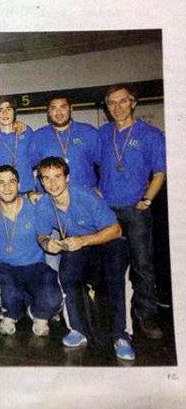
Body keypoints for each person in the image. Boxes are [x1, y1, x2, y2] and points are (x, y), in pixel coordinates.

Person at [35, 157, 133, 359]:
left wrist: (83, 240)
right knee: (67, 274)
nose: (53, 183)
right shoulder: (44, 204)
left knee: (115, 278)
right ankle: (78, 329)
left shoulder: (86, 196)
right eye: (47, 178)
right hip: (80, 245)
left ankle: (121, 335)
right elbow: (41, 235)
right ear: (41, 182)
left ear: (67, 178)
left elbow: (116, 230)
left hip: (107, 241)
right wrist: (47, 243)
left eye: (57, 177)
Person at [99, 83, 166, 339]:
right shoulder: (103, 133)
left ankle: (146, 315)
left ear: (133, 103)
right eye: (111, 103)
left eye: (122, 101)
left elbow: (159, 173)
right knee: (110, 264)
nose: (117, 107)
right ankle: (113, 315)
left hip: (136, 210)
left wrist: (147, 200)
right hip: (107, 210)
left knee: (142, 264)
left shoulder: (150, 134)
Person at [0, 165, 62, 336]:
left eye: (11, 182)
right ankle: (12, 313)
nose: (7, 187)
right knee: (10, 298)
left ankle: (38, 315)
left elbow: (60, 198)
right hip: (7, 268)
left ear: (19, 185)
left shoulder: (35, 206)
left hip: (36, 267)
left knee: (54, 300)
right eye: (1, 183)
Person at [31, 94, 99, 189]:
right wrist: (31, 191)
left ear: (71, 109)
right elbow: (25, 166)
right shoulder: (38, 136)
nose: (59, 112)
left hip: (85, 194)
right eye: (53, 108)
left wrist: (102, 188)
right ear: (48, 112)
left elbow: (106, 165)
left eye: (63, 107)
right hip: (51, 195)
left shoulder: (88, 132)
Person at [0, 96, 36, 193]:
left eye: (8, 109)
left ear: (14, 112)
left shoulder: (26, 132)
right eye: (0, 110)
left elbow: (35, 160)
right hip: (2, 194)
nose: (5, 113)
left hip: (27, 191)